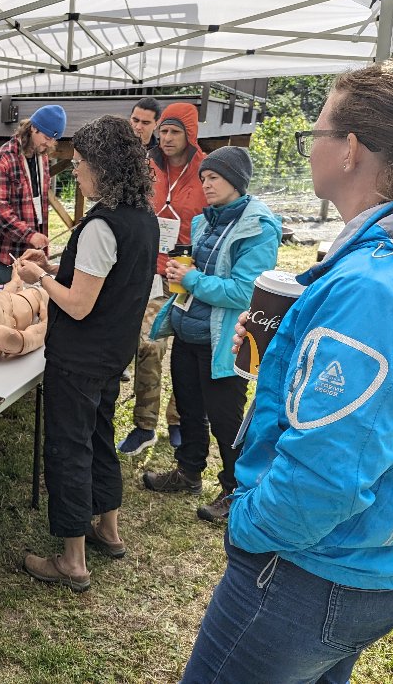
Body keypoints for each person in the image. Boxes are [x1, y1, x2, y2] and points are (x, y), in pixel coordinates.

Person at [183, 59, 393, 682]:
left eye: (314, 132)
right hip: (381, 560)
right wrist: (285, 354)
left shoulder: (374, 286)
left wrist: (250, 524)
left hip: (310, 570)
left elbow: (329, 476)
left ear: (348, 151)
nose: (309, 145)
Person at [16, 116, 158, 591]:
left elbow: (78, 304)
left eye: (78, 164)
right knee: (99, 438)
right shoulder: (143, 218)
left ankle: (72, 560)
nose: (74, 172)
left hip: (79, 357)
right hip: (112, 352)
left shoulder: (101, 225)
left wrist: (40, 280)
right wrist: (59, 265)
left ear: (103, 167)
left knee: (69, 447)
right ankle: (109, 531)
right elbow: (108, 277)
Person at [140, 147, 281, 522]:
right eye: (203, 178)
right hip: (189, 331)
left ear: (236, 180)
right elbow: (199, 275)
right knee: (188, 408)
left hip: (224, 341)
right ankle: (188, 473)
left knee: (226, 419)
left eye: (213, 177)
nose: (206, 184)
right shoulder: (205, 222)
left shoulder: (259, 228)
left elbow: (243, 291)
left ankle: (236, 490)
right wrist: (180, 275)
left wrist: (191, 279)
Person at [118, 102, 206, 455]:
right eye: (164, 131)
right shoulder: (147, 165)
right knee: (150, 346)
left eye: (175, 132)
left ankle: (178, 419)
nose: (166, 138)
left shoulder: (206, 171)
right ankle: (144, 425)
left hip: (191, 271)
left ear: (190, 134)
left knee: (186, 350)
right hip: (150, 268)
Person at [0, 105, 66, 284]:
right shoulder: (1, 160)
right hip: (5, 252)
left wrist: (35, 236)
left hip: (31, 251)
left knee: (31, 304)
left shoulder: (40, 155)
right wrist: (29, 235)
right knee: (8, 305)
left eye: (54, 140)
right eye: (47, 137)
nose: (50, 144)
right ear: (33, 128)